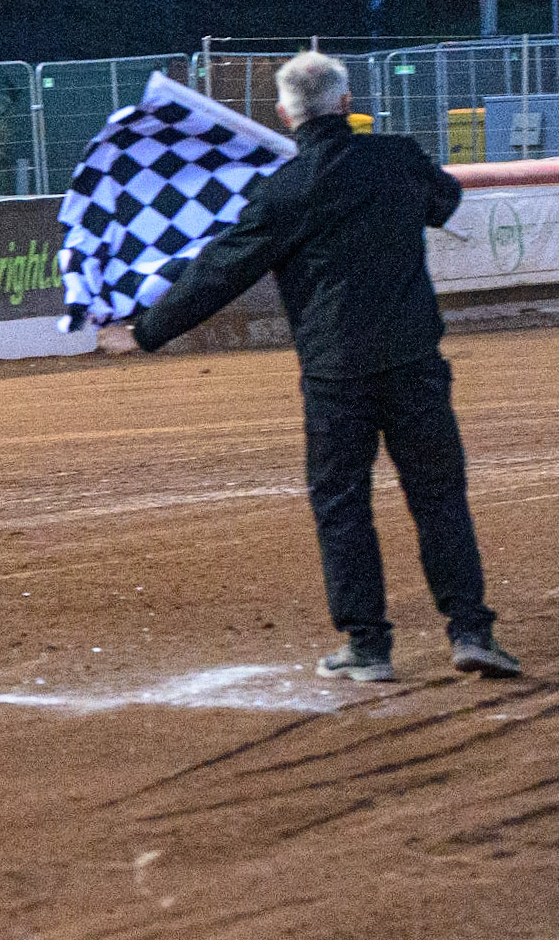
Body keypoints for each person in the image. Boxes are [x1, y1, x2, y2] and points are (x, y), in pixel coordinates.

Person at [117, 50, 519, 683]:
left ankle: (368, 644)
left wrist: (146, 332)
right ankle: (470, 629)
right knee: (439, 496)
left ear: (284, 114)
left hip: (335, 373)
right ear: (347, 103)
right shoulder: (397, 158)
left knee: (341, 504)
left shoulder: (284, 191)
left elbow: (220, 271)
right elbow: (444, 201)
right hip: (413, 360)